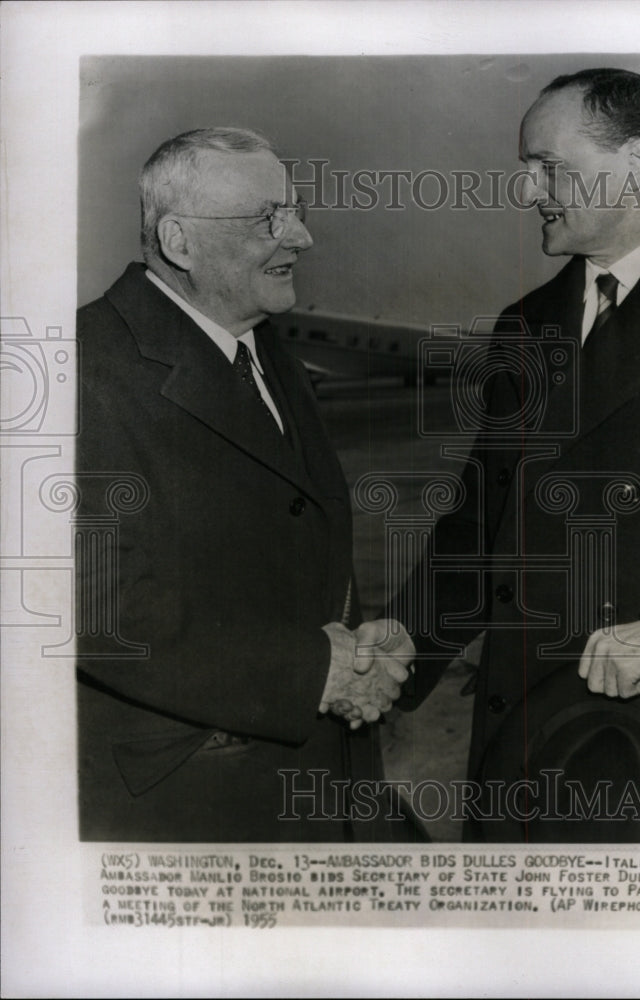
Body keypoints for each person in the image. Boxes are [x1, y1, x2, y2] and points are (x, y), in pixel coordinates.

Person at [390, 68, 640, 841]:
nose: (529, 191)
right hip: (522, 749)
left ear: (637, 165)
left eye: (551, 167)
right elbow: (480, 530)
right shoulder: (528, 323)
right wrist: (396, 653)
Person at [75, 127, 415, 843]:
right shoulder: (79, 370)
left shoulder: (261, 343)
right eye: (270, 218)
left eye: (295, 210)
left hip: (318, 782)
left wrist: (354, 640)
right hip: (190, 808)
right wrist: (314, 672)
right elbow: (100, 610)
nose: (303, 238)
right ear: (180, 241)